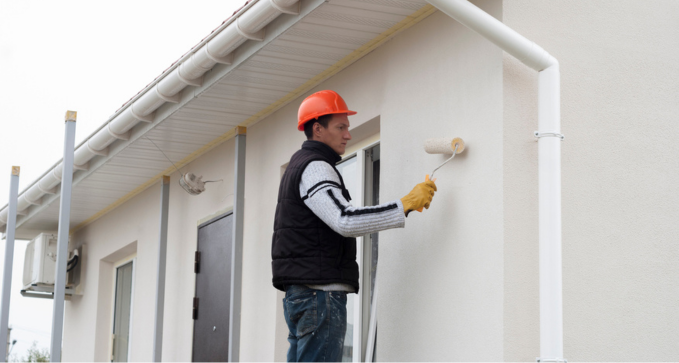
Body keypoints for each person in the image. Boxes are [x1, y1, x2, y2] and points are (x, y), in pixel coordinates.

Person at [271, 90, 437, 362]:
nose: (348, 134)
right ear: (317, 129)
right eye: (341, 127)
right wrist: (404, 204)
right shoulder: (315, 167)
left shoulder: (300, 166)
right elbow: (344, 220)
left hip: (304, 295)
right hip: (318, 297)